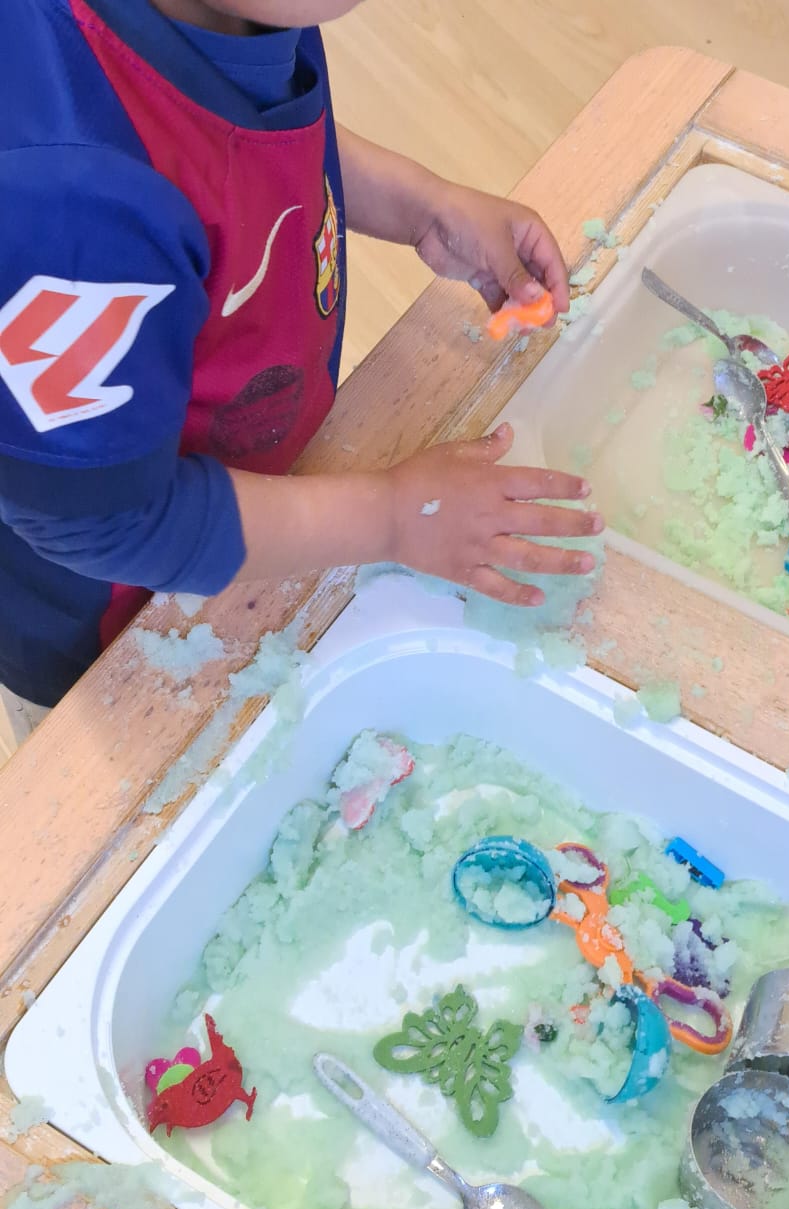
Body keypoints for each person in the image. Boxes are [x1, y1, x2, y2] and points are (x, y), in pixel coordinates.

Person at [0, 0, 600, 735]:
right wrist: (392, 516)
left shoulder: (238, 11)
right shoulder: (67, 202)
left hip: (252, 510)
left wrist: (421, 206)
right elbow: (107, 524)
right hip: (112, 631)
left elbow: (243, 143)